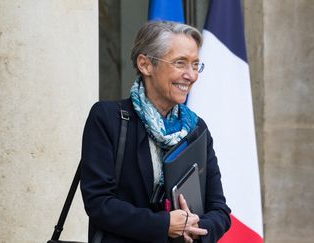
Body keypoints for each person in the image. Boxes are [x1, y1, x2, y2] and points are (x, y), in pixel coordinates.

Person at [80, 21, 231, 243]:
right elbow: (99, 203)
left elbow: (219, 210)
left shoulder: (197, 129)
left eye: (195, 65)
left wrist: (193, 228)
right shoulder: (108, 118)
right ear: (145, 64)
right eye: (180, 63)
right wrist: (165, 225)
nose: (191, 75)